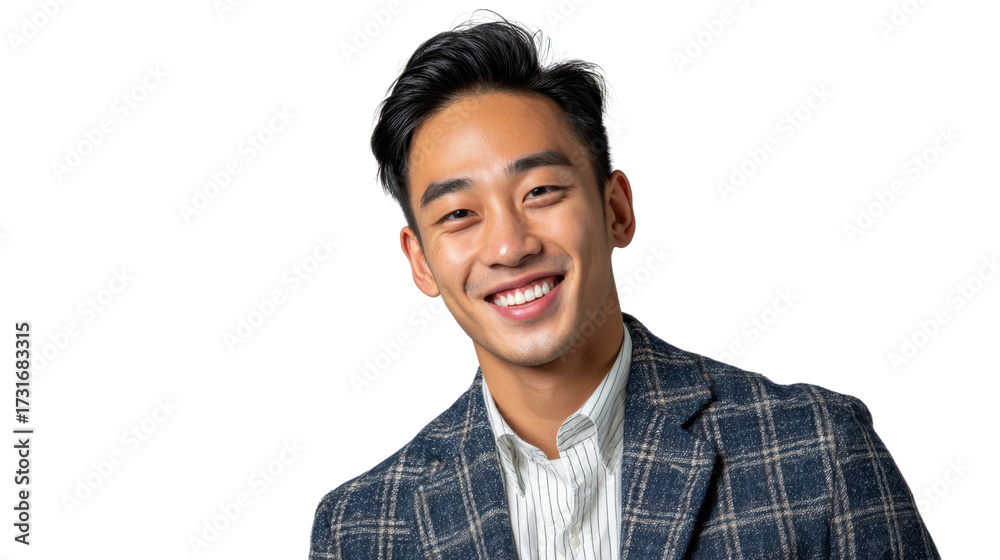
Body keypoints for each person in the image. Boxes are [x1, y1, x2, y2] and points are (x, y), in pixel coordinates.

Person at [309, 16, 939, 559]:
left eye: (540, 192)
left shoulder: (816, 452)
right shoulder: (362, 529)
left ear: (616, 210)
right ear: (420, 261)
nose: (509, 246)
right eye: (458, 214)